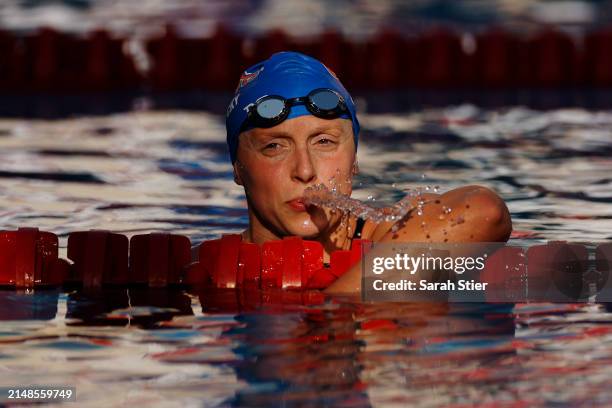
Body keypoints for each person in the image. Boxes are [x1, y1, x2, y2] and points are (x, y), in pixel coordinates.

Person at [225, 51, 512, 294]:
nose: (305, 170)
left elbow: (484, 210)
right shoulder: (204, 268)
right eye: (275, 146)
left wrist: (333, 314)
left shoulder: (389, 235)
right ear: (238, 168)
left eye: (324, 142)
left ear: (354, 160)